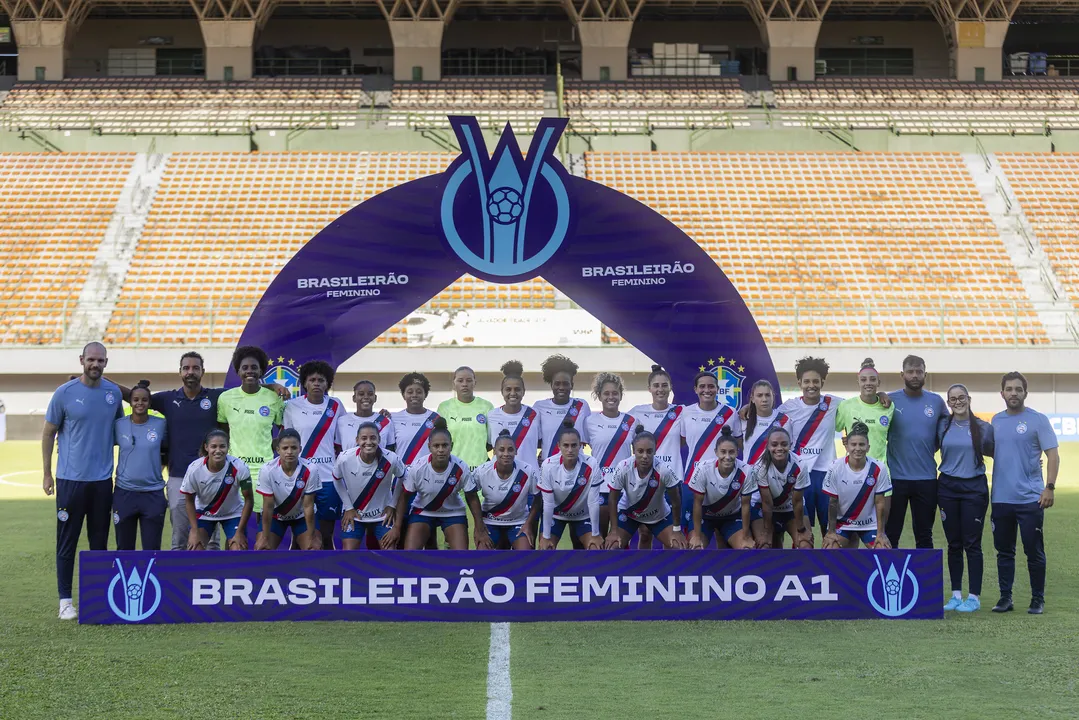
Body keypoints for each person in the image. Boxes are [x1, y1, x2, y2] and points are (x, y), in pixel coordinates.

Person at [139, 352, 288, 551]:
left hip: (231, 473)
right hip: (183, 475)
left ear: (203, 371)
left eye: (195, 368)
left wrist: (273, 387)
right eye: (186, 368)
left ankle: (225, 578)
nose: (190, 371)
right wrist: (109, 384)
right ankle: (182, 578)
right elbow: (137, 397)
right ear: (180, 371)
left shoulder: (218, 396)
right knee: (184, 538)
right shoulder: (172, 399)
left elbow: (252, 389)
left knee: (222, 541)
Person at [42, 342, 123, 620]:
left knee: (99, 542)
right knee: (67, 541)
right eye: (91, 359)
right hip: (70, 482)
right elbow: (48, 433)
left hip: (102, 483)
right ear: (81, 360)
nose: (95, 365)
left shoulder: (113, 394)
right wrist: (46, 473)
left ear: (106, 363)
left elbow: (120, 432)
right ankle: (65, 601)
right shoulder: (64, 393)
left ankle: (97, 597)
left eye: (100, 361)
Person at [990, 372, 1058, 615]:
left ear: (1025, 393)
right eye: (1009, 389)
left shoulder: (1038, 420)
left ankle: (1037, 599)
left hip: (1030, 499)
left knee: (1034, 551)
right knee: (1004, 552)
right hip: (1000, 499)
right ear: (1002, 394)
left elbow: (1053, 454)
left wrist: (1049, 487)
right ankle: (1005, 598)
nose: (1014, 393)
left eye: (1018, 389)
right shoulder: (996, 421)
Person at [216, 346, 284, 540]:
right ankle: (232, 570)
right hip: (236, 471)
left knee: (265, 534)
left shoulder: (273, 398)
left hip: (265, 471)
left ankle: (263, 570)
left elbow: (284, 428)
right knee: (236, 534)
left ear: (261, 370)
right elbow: (222, 432)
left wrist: (275, 445)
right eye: (245, 367)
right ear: (238, 371)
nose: (249, 371)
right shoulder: (226, 399)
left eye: (254, 367)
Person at [939, 384, 994, 613]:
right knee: (954, 544)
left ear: (969, 399)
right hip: (947, 486)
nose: (958, 402)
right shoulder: (943, 425)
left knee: (972, 543)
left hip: (974, 488)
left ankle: (973, 597)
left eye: (962, 397)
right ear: (948, 402)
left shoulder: (983, 427)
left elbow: (1001, 452)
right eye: (953, 399)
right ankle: (955, 595)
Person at [394, 418, 488, 550]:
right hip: (423, 511)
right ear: (429, 447)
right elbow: (404, 497)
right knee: (411, 554)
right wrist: (397, 527)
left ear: (452, 446)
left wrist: (479, 528)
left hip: (452, 512)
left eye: (445, 445)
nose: (441, 450)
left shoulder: (461, 467)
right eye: (436, 446)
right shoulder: (417, 467)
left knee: (461, 556)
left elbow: (472, 497)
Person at [777, 357, 841, 540]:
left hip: (827, 476)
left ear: (822, 382)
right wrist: (749, 408)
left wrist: (882, 396)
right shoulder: (788, 407)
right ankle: (806, 568)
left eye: (815, 381)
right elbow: (766, 415)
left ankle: (830, 568)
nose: (811, 385)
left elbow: (862, 404)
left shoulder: (834, 403)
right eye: (806, 381)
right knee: (803, 536)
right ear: (799, 383)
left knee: (830, 534)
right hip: (800, 476)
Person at [282, 360, 344, 549]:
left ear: (327, 384)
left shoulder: (336, 405)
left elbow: (343, 440)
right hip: (300, 477)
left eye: (321, 380)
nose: (317, 383)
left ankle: (327, 576)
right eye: (312, 379)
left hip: (328, 477)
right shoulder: (291, 406)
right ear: (304, 383)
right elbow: (287, 443)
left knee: (326, 535)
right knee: (301, 536)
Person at [628, 365, 684, 550]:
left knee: (671, 537)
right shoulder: (636, 412)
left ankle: (668, 576)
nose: (660, 389)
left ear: (670, 387)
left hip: (672, 479)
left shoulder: (681, 412)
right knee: (645, 534)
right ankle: (645, 574)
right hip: (645, 480)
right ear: (649, 388)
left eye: (664, 385)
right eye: (656, 385)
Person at [681, 371, 744, 535]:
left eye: (711, 386)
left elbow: (739, 443)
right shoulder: (685, 412)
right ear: (695, 389)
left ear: (717, 389)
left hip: (723, 480)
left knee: (724, 534)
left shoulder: (730, 413)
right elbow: (681, 441)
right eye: (702, 386)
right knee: (692, 536)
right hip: (692, 478)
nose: (706, 390)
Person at [604, 427, 686, 550]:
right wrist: (614, 530)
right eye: (640, 451)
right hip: (629, 514)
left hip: (658, 516)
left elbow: (676, 501)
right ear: (634, 450)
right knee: (613, 547)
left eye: (649, 451)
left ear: (655, 451)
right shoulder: (623, 467)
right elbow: (613, 500)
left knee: (679, 547)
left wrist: (677, 529)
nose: (644, 456)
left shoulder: (664, 470)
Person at [112, 381, 168, 551]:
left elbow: (168, 450)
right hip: (124, 494)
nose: (140, 403)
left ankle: (150, 578)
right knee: (124, 549)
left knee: (152, 549)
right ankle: (125, 578)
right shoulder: (119, 424)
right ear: (130, 401)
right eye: (136, 399)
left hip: (153, 494)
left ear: (150, 403)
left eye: (144, 400)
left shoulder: (161, 424)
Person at [333, 423, 407, 550]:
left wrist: (392, 504)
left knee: (390, 552)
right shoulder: (344, 458)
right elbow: (336, 479)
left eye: (373, 438)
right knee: (348, 553)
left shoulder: (391, 458)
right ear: (357, 440)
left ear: (379, 439)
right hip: (355, 515)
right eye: (364, 438)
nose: (368, 442)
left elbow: (402, 477)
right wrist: (348, 507)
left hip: (382, 516)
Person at [821, 422, 893, 550]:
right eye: (853, 444)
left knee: (883, 550)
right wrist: (831, 532)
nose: (857, 448)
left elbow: (880, 502)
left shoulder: (878, 468)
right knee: (830, 549)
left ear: (868, 447)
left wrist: (881, 533)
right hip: (843, 524)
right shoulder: (835, 467)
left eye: (862, 444)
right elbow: (832, 502)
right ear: (847, 447)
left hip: (869, 525)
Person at [181, 429, 254, 551]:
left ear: (228, 447)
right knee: (195, 549)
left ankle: (229, 558)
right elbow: (188, 500)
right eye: (213, 446)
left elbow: (249, 500)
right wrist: (194, 531)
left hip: (233, 513)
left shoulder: (240, 466)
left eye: (222, 446)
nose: (218, 451)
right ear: (206, 447)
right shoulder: (194, 469)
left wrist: (240, 531)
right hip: (204, 514)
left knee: (238, 549)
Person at [584, 372, 637, 538]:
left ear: (621, 395)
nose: (611, 397)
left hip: (624, 488)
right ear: (599, 395)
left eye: (615, 393)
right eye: (606, 393)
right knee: (598, 537)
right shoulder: (589, 421)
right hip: (598, 487)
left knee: (619, 540)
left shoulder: (631, 421)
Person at [537, 421, 604, 550]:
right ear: (559, 446)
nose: (570, 450)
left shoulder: (592, 464)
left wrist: (595, 534)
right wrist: (545, 536)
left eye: (574, 445)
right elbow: (548, 503)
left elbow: (593, 501)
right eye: (566, 445)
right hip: (556, 515)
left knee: (595, 547)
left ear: (580, 446)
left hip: (582, 515)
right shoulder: (548, 465)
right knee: (545, 549)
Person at [745, 426, 813, 549]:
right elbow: (767, 502)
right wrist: (766, 531)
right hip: (764, 508)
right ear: (768, 446)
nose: (779, 448)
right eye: (774, 445)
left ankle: (799, 567)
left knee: (805, 545)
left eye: (784, 444)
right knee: (764, 545)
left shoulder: (800, 465)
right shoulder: (760, 466)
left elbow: (797, 502)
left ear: (790, 445)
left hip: (791, 509)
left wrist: (802, 529)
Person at [686, 427, 753, 550]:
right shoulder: (703, 469)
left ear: (737, 452)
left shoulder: (746, 471)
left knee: (746, 548)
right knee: (696, 548)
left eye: (731, 452)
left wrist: (746, 535)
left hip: (731, 517)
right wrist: (696, 535)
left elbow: (746, 505)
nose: (727, 457)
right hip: (705, 517)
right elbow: (697, 504)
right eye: (723, 452)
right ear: (716, 452)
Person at [254, 430, 321, 550]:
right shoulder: (267, 470)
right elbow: (268, 507)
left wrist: (312, 537)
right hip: (275, 517)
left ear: (300, 449)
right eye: (285, 448)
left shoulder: (311, 469)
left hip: (301, 517)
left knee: (314, 550)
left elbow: (308, 506)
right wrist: (264, 538)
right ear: (278, 450)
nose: (289, 452)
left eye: (294, 448)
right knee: (263, 550)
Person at [475, 430, 539, 550]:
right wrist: (479, 527)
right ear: (494, 451)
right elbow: (471, 495)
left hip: (518, 522)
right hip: (490, 522)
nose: (506, 453)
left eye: (510, 449)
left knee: (526, 556)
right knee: (481, 556)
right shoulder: (482, 471)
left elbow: (538, 497)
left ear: (516, 451)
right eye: (501, 449)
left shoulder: (527, 471)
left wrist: (528, 524)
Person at [836, 358, 894, 466]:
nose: (868, 383)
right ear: (858, 382)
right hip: (852, 469)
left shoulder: (888, 406)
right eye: (863, 380)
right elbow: (835, 427)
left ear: (878, 382)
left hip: (880, 471)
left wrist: (882, 394)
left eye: (872, 379)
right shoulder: (846, 406)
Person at [437, 366, 495, 470]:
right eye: (460, 380)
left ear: (475, 383)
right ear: (454, 383)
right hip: (453, 468)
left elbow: (490, 443)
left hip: (480, 468)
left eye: (469, 380)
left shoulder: (486, 406)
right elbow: (439, 440)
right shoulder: (444, 407)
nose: (464, 384)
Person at [534, 354, 591, 460]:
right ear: (551, 385)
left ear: (572, 385)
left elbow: (588, 440)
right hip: (549, 470)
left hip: (576, 469)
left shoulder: (582, 406)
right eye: (557, 383)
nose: (561, 387)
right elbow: (535, 441)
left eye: (565, 384)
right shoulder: (539, 407)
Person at [487, 360, 542, 469]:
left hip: (529, 478)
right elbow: (488, 445)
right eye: (508, 389)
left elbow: (542, 443)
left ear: (523, 391)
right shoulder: (491, 415)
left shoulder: (534, 414)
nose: (513, 393)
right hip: (500, 478)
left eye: (517, 389)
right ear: (502, 391)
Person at [390, 372, 441, 468]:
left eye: (419, 392)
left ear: (425, 394)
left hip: (428, 475)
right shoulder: (393, 419)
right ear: (403, 395)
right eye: (410, 392)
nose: (414, 395)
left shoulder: (436, 418)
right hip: (402, 477)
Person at [743, 379, 792, 466]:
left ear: (773, 397)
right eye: (759, 395)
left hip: (773, 475)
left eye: (767, 395)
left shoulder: (784, 420)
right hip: (748, 475)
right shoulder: (743, 419)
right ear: (752, 399)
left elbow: (788, 450)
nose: (764, 399)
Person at [335, 380, 395, 452]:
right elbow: (338, 450)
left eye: (370, 394)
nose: (366, 397)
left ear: (375, 398)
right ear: (354, 398)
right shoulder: (342, 421)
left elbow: (390, 451)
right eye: (361, 394)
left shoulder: (386, 422)